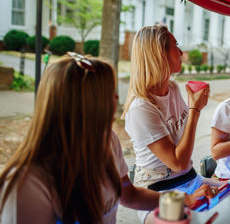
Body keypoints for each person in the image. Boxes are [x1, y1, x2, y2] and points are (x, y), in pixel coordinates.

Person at [0, 53, 217, 224]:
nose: (116, 99)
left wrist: (183, 201)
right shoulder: (27, 186)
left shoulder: (107, 141)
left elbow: (129, 195)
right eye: (108, 93)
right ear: (82, 105)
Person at [121, 25, 222, 223]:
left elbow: (184, 156)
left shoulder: (173, 88)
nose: (181, 52)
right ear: (159, 54)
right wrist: (195, 110)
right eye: (175, 46)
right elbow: (178, 162)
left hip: (190, 180)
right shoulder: (141, 108)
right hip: (159, 193)